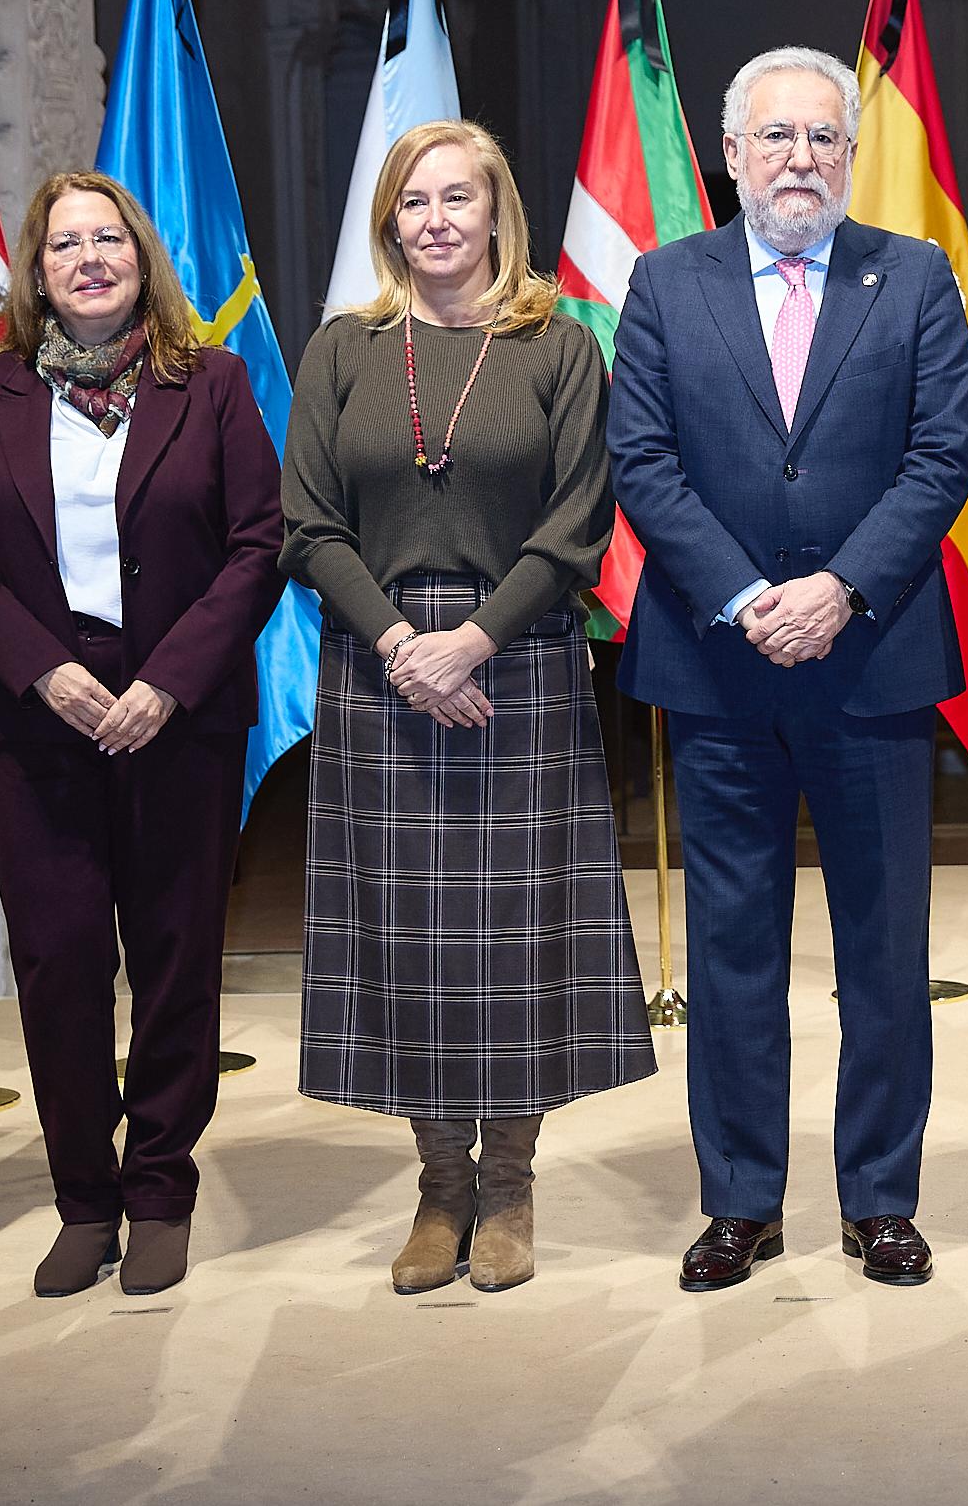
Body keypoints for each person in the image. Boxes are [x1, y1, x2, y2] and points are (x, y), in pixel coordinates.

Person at [606, 47, 968, 1294]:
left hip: (869, 656)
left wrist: (839, 590)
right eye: (775, 139)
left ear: (849, 157)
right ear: (730, 156)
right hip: (719, 666)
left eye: (822, 138)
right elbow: (642, 462)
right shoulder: (665, 281)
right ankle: (740, 1202)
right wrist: (747, 595)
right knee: (731, 948)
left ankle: (879, 1199)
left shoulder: (915, 277)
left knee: (883, 949)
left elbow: (941, 460)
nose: (800, 160)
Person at [282, 117, 652, 1296]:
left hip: (519, 655)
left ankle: (512, 1182)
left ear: (498, 212)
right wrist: (403, 644)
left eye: (458, 198)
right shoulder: (344, 347)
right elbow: (308, 523)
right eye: (413, 202)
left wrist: (474, 642)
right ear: (388, 222)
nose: (436, 220)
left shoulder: (557, 348)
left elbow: (579, 523)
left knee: (514, 935)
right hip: (378, 659)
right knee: (407, 940)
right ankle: (441, 1186)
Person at [0, 171, 286, 1298]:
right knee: (60, 965)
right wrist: (42, 673)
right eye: (64, 243)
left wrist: (169, 682)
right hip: (45, 717)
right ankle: (84, 1198)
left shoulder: (212, 383)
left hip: (177, 716)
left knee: (176, 960)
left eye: (108, 240)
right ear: (36, 270)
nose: (88, 259)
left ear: (141, 259)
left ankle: (160, 1187)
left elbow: (256, 544)